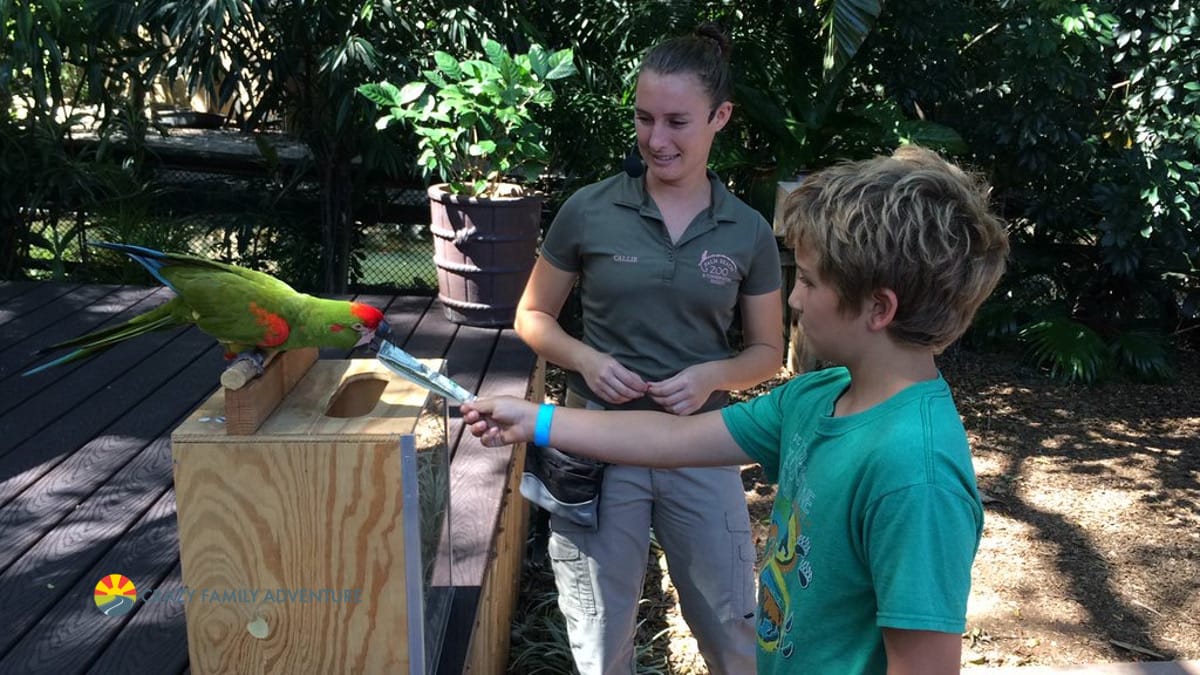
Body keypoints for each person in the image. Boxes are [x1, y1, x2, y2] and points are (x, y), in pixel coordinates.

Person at [468, 145, 1011, 674]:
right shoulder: (816, 397)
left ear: (878, 308)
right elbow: (672, 441)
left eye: (810, 281)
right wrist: (533, 420)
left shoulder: (916, 477)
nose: (794, 300)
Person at [513, 23, 784, 675]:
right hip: (598, 445)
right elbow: (531, 316)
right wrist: (584, 359)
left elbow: (768, 351)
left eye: (676, 121)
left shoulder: (747, 230)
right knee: (600, 634)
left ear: (720, 117)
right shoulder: (590, 210)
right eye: (644, 118)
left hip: (703, 444)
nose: (655, 139)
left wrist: (711, 374)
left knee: (732, 628)